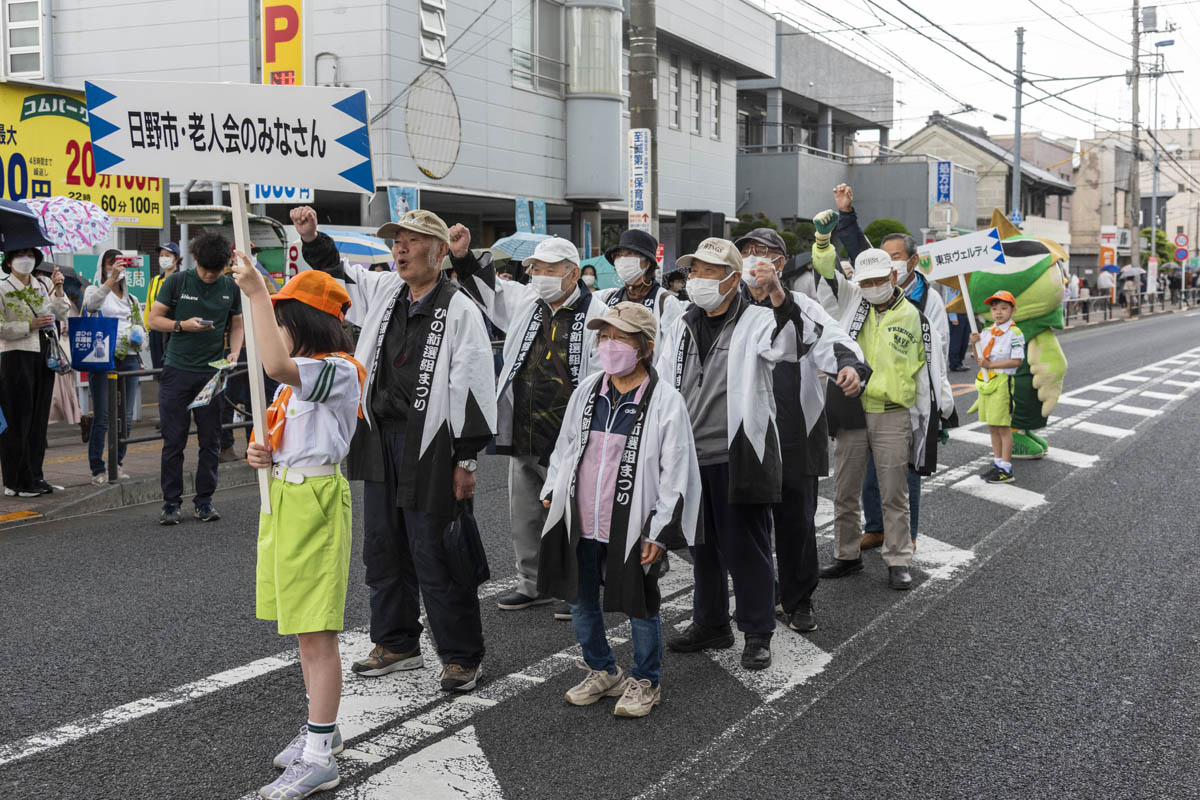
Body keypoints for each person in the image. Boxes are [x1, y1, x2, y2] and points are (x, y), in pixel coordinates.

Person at [294, 206, 497, 693]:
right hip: (379, 437)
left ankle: (461, 656)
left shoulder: (460, 307)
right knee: (383, 547)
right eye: (395, 242)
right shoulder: (388, 294)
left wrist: (465, 460)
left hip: (431, 443)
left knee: (437, 552)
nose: (399, 250)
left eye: (410, 241)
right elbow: (342, 277)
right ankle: (397, 641)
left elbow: (473, 384)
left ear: (439, 251)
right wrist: (313, 238)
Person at [658, 238, 843, 670]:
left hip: (739, 452)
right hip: (691, 454)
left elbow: (794, 344)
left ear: (729, 278)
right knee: (701, 546)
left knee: (747, 547)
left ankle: (757, 631)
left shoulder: (758, 319)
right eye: (694, 271)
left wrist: (778, 294)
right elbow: (666, 382)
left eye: (707, 272)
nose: (697, 280)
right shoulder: (683, 323)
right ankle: (711, 622)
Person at [231, 256, 364, 800]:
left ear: (304, 321)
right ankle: (320, 735)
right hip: (287, 496)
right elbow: (284, 428)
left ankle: (318, 756)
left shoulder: (337, 368)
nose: (276, 328)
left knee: (317, 631)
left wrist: (258, 295)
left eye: (283, 316)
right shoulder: (305, 374)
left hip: (315, 500)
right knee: (302, 628)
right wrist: (263, 453)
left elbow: (277, 367)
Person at [538, 302, 701, 717]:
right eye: (604, 337)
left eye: (620, 338)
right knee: (581, 598)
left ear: (644, 348)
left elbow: (675, 470)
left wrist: (659, 531)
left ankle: (646, 679)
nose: (609, 346)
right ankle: (602, 669)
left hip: (631, 523)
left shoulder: (665, 400)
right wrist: (553, 488)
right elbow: (566, 446)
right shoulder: (589, 390)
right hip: (582, 517)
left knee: (638, 602)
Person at [453, 235, 606, 617]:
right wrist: (462, 256)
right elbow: (490, 291)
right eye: (536, 269)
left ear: (572, 274)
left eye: (549, 270)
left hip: (570, 435)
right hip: (523, 427)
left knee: (574, 516)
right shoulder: (527, 303)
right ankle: (532, 582)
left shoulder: (598, 313)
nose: (539, 276)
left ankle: (578, 588)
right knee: (525, 514)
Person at [735, 228, 867, 633]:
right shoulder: (730, 306)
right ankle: (761, 595)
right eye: (748, 252)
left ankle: (799, 598)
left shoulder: (803, 304)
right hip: (744, 428)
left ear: (780, 262)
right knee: (746, 521)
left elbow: (835, 338)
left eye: (766, 253)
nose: (756, 259)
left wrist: (850, 365)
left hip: (794, 426)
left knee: (796, 519)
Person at [831, 194, 954, 551]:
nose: (892, 265)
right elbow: (856, 252)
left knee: (903, 475)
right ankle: (874, 528)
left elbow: (937, 355)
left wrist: (937, 409)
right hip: (860, 402)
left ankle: (906, 537)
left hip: (903, 401)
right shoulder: (865, 294)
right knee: (864, 475)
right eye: (887, 259)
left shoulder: (926, 301)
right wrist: (845, 215)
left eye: (897, 258)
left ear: (912, 260)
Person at [820, 249, 936, 591]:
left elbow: (926, 370)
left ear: (893, 278)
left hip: (892, 413)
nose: (872, 287)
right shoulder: (852, 306)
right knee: (844, 489)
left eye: (878, 280)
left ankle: (898, 559)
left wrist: (935, 414)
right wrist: (825, 241)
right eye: (865, 282)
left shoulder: (915, 316)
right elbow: (826, 268)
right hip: (851, 410)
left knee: (894, 493)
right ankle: (846, 554)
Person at [146, 233, 244, 525]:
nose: (211, 277)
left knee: (211, 440)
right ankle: (171, 503)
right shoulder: (177, 282)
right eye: (206, 271)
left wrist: (234, 352)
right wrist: (182, 325)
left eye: (216, 272)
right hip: (177, 370)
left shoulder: (230, 286)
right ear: (196, 260)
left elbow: (237, 324)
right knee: (173, 440)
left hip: (212, 372)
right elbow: (153, 320)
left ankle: (204, 501)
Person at [0, 248, 69, 497]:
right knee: (18, 420)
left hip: (42, 355)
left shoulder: (42, 284)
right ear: (9, 261)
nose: (26, 259)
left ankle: (34, 476)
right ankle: (14, 481)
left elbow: (60, 313)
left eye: (31, 254)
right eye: (21, 255)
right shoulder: (2, 286)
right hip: (15, 356)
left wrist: (59, 288)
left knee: (39, 419)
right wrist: (28, 325)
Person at [82, 250, 147, 484]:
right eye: (112, 263)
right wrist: (111, 280)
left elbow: (142, 325)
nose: (117, 267)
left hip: (128, 356)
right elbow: (91, 305)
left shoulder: (130, 299)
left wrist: (140, 337)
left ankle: (117, 463)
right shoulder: (94, 289)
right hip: (102, 356)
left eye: (121, 263)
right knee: (103, 415)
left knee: (126, 416)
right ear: (103, 267)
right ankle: (97, 468)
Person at [969, 290, 1025, 484]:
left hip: (1002, 382)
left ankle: (1006, 468)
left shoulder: (1014, 333)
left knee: (1003, 427)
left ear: (1012, 310)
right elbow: (979, 360)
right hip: (988, 382)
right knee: (992, 425)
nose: (998, 312)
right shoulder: (986, 332)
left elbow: (1017, 361)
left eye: (1003, 308)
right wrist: (973, 344)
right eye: (994, 309)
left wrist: (990, 365)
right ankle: (998, 463)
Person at [593, 230, 684, 343]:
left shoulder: (665, 303)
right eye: (619, 255)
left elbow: (672, 350)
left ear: (647, 262)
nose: (623, 259)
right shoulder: (607, 297)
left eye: (630, 253)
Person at [146, 243, 181, 370]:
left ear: (176, 258)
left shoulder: (182, 279)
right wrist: (147, 330)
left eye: (167, 255)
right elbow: (149, 305)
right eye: (161, 255)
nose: (163, 258)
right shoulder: (154, 280)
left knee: (171, 367)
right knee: (158, 367)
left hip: (173, 328)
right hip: (155, 329)